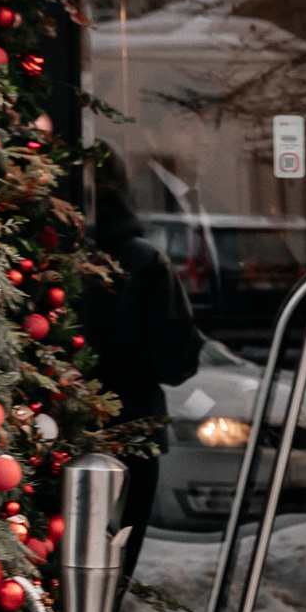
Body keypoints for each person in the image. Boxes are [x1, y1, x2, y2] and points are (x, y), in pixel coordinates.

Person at [77, 150, 203, 576]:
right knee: (114, 568)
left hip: (54, 426)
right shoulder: (142, 261)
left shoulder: (45, 259)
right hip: (132, 427)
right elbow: (178, 360)